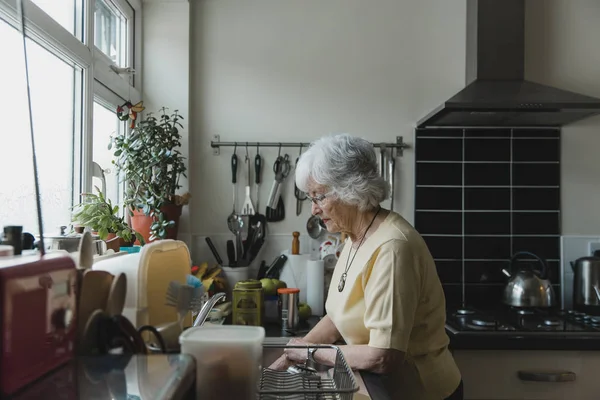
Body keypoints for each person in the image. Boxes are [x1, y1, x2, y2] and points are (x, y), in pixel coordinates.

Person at [269, 134, 463, 400]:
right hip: (380, 386)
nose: (313, 209)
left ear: (350, 190)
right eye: (310, 198)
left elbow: (384, 356)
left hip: (419, 391)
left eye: (319, 197)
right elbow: (339, 318)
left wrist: (309, 353)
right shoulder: (353, 236)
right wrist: (289, 357)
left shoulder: (392, 248)